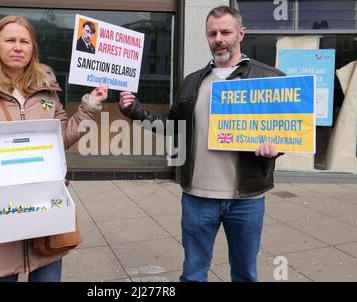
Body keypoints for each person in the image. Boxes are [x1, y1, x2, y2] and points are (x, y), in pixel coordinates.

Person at [119, 6, 283, 282]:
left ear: (240, 34)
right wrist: (135, 110)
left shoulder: (267, 77)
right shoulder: (192, 82)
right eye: (212, 33)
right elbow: (172, 125)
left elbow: (287, 128)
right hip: (197, 197)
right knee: (193, 274)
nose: (218, 38)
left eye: (225, 32)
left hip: (247, 199)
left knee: (245, 274)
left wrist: (276, 146)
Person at [0, 15, 108, 282]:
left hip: (45, 215)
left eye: (25, 41)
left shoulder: (46, 90)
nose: (18, 47)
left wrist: (90, 104)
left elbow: (62, 138)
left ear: (33, 49)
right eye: (10, 40)